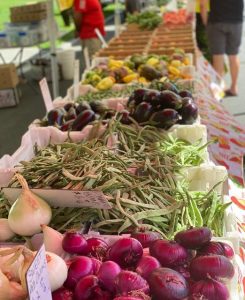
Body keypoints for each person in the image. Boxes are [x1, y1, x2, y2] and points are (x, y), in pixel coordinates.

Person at [202, 0, 244, 96]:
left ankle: (219, 89)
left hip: (216, 22)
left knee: (218, 57)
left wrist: (205, 22)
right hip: (236, 22)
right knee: (233, 56)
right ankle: (234, 87)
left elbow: (203, 4)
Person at [73, 0, 105, 68]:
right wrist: (78, 30)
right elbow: (78, 15)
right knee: (94, 64)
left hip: (94, 34)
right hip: (90, 36)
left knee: (96, 62)